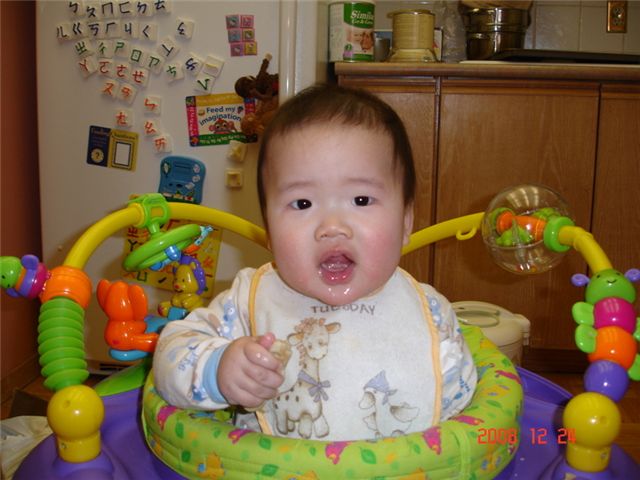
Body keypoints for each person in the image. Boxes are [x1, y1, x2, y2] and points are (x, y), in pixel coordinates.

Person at [153, 84, 477, 441]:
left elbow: (463, 417)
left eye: (361, 199)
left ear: (405, 222)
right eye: (303, 204)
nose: (332, 227)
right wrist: (219, 369)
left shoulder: (429, 313)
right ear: (269, 230)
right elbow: (170, 356)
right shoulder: (245, 304)